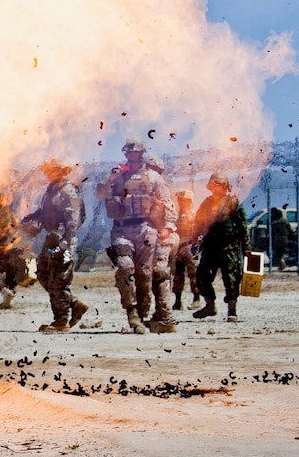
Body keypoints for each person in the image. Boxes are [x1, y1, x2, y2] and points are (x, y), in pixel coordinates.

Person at [97, 139, 179, 334]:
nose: (132, 156)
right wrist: (110, 179)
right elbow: (100, 194)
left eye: (135, 152)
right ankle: (132, 312)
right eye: (129, 153)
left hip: (145, 230)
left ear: (141, 153)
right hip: (121, 230)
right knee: (125, 268)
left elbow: (169, 204)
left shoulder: (153, 177)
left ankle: (142, 313)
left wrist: (168, 227)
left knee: (144, 274)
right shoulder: (118, 176)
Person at [21, 158, 88, 332]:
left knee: (59, 279)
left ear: (62, 172)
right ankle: (73, 304)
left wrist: (64, 247)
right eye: (48, 170)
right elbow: (44, 213)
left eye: (53, 170)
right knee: (43, 274)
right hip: (52, 241)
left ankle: (61, 321)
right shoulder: (51, 191)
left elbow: (73, 223)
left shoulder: (69, 192)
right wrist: (27, 220)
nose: (48, 173)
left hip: (64, 244)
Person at [193, 172, 249, 323]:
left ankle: (232, 311)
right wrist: (194, 240)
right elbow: (198, 223)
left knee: (231, 279)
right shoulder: (206, 203)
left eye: (219, 185)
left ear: (225, 186)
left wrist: (247, 247)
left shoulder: (233, 202)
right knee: (202, 277)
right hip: (210, 247)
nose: (216, 189)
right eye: (214, 186)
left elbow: (243, 226)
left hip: (229, 248)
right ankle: (209, 305)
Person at [0, 189, 34, 308]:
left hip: (3, 248)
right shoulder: (9, 213)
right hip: (11, 247)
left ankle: (7, 294)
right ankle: (8, 298)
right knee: (10, 274)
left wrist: (0, 244)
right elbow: (18, 228)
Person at [171, 189, 202, 311]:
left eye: (184, 200)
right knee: (178, 276)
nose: (181, 203)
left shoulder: (194, 214)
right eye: (180, 200)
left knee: (194, 275)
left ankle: (196, 299)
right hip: (178, 247)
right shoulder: (177, 215)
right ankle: (178, 301)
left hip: (190, 247)